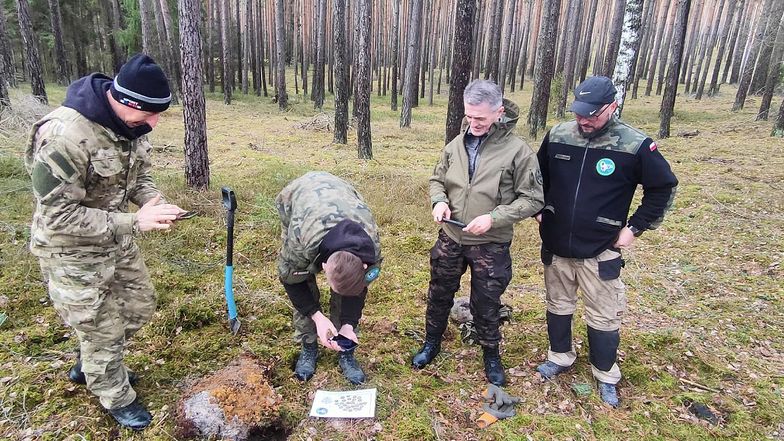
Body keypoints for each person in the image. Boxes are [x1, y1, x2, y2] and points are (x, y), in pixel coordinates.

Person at [24, 54, 185, 430]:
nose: (155, 123)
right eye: (150, 113)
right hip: (71, 252)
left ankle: (93, 358)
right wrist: (134, 221)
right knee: (104, 330)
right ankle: (115, 394)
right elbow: (58, 217)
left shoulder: (132, 128)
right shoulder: (64, 137)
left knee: (140, 306)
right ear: (126, 101)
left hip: (115, 241)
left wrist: (152, 201)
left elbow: (138, 177)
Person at [535, 76, 678, 407]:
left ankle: (605, 374)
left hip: (601, 249)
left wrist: (635, 228)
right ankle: (560, 356)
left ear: (612, 107)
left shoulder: (634, 145)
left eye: (593, 115)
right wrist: (538, 208)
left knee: (603, 315)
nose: (584, 121)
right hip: (556, 244)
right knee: (558, 305)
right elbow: (536, 176)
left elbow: (663, 188)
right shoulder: (558, 135)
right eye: (579, 113)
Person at [411, 79, 545, 386]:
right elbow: (437, 179)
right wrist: (439, 201)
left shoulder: (518, 151)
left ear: (499, 112)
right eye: (469, 116)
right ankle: (431, 343)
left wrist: (495, 217)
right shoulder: (456, 144)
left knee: (486, 302)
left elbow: (533, 199)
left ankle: (491, 354)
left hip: (490, 244)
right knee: (439, 292)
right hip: (451, 237)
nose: (473, 124)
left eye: (480, 118)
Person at [276, 171, 382, 385]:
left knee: (347, 287)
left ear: (364, 265)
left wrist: (348, 324)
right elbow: (291, 279)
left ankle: (345, 348)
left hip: (344, 196)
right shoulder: (301, 240)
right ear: (322, 266)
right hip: (299, 197)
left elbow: (357, 289)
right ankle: (309, 345)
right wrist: (316, 316)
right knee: (301, 278)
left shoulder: (372, 253)